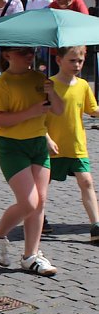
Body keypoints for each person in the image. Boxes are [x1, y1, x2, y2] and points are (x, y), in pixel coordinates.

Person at [0, 46, 63, 277]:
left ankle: (31, 256)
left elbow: (57, 110)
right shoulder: (2, 84)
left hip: (38, 143)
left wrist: (53, 92)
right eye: (22, 52)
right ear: (7, 55)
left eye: (31, 51)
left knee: (40, 202)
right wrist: (32, 111)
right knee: (29, 202)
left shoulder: (41, 78)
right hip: (12, 147)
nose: (29, 55)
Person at [44, 46, 99, 243]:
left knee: (87, 182)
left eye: (80, 61)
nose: (77, 65)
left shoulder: (83, 85)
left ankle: (96, 225)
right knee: (43, 185)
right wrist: (47, 139)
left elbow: (92, 109)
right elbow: (38, 117)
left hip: (77, 145)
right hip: (52, 146)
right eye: (72, 60)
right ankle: (38, 217)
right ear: (58, 60)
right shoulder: (48, 84)